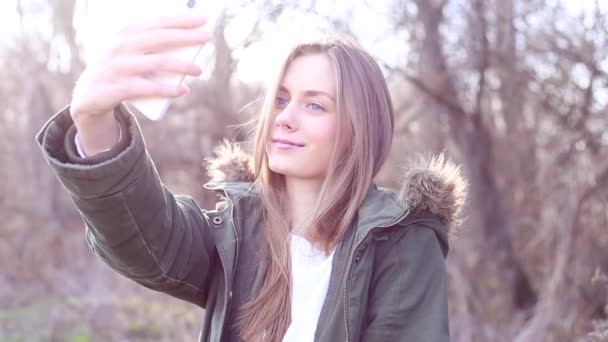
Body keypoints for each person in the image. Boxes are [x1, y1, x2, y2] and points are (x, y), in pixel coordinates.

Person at [36, 14, 467, 342]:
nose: (285, 118)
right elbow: (145, 237)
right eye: (281, 99)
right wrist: (94, 120)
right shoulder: (236, 231)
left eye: (314, 105)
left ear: (361, 126)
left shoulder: (402, 241)